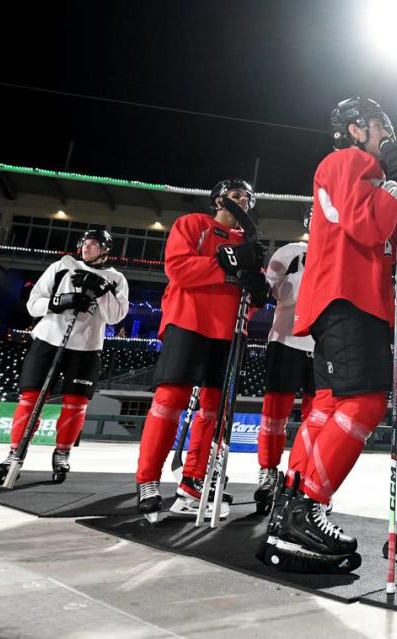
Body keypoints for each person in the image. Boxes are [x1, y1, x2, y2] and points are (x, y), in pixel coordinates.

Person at [261, 96, 397, 572]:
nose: (388, 134)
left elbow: (387, 237)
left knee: (331, 404)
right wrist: (396, 184)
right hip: (348, 296)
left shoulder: (365, 170)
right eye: (381, 126)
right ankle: (308, 502)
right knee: (365, 402)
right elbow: (368, 225)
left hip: (344, 297)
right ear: (356, 130)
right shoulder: (347, 160)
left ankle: (292, 503)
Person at [134, 179, 268, 517]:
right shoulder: (193, 224)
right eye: (236, 195)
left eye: (248, 199)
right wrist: (227, 266)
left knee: (215, 411)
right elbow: (178, 269)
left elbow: (250, 299)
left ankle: (193, 482)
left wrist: (258, 288)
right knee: (169, 401)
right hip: (188, 321)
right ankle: (148, 479)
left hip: (230, 331)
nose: (242, 202)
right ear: (218, 199)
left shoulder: (249, 243)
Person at [0, 229, 129, 483]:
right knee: (30, 397)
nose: (86, 248)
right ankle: (14, 453)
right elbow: (33, 304)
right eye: (84, 244)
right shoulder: (61, 267)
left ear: (105, 249)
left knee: (76, 403)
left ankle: (62, 452)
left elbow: (115, 317)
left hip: (87, 348)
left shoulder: (116, 278)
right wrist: (59, 301)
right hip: (48, 341)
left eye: (92, 244)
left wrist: (101, 290)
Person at [253, 208, 316, 513]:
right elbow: (265, 290)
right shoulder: (292, 251)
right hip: (286, 338)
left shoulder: (342, 255)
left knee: (315, 419)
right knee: (274, 414)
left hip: (325, 345)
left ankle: (303, 476)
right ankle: (268, 471)